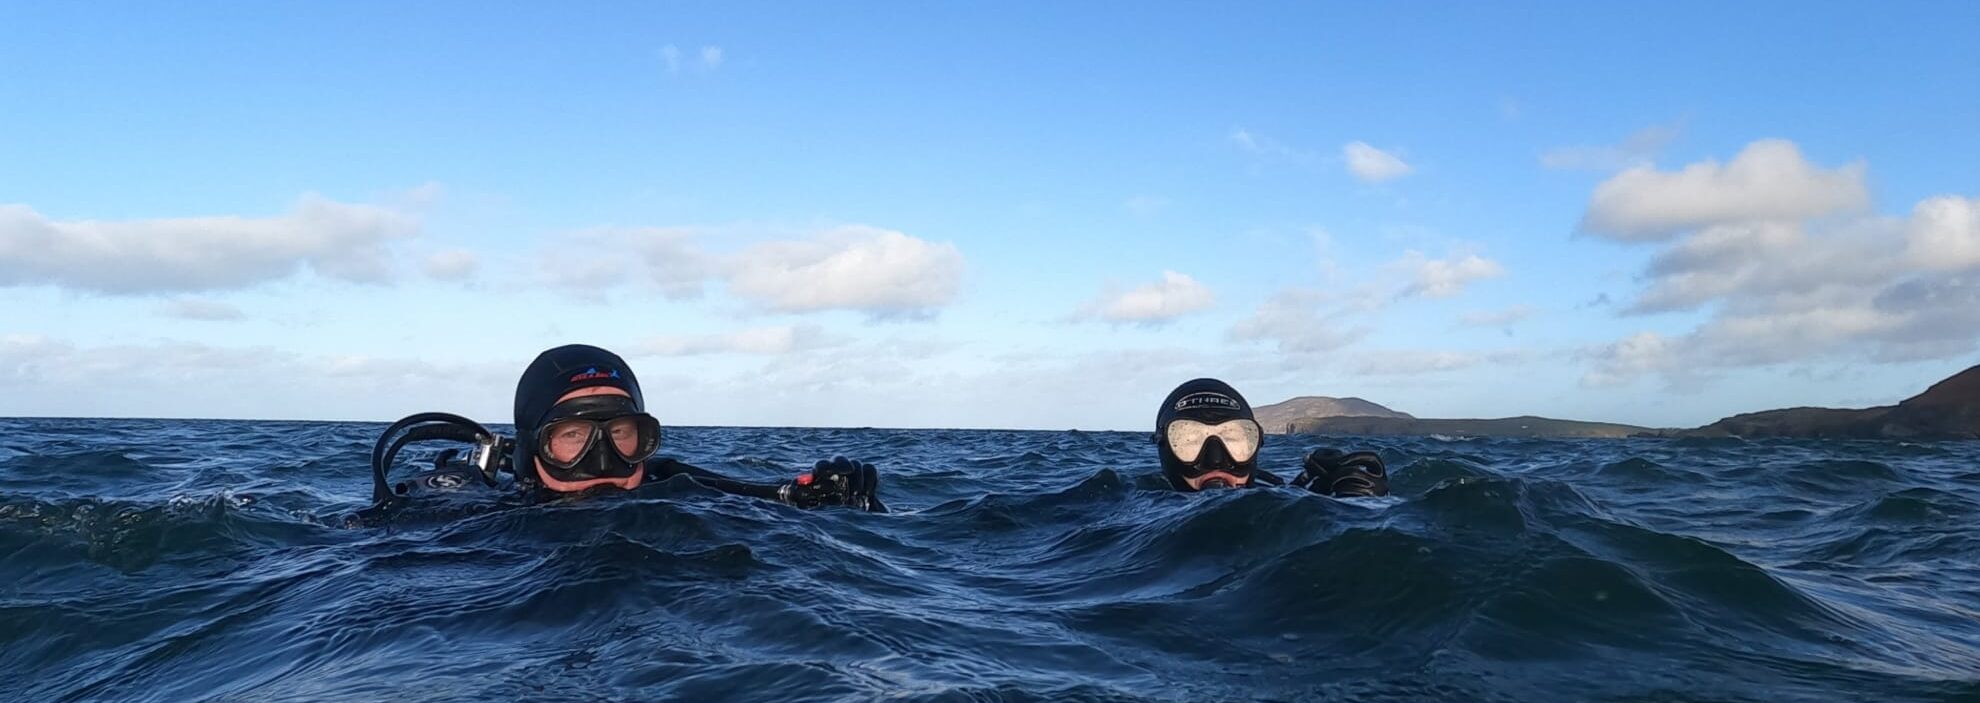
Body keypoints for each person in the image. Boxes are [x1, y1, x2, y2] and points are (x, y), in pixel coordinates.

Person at [370, 344, 884, 513]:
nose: (604, 462)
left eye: (621, 432)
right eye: (571, 436)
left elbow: (773, 497)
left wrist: (826, 501)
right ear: (531, 451)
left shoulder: (672, 489)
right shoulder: (467, 515)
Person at [1154, 378, 1388, 496]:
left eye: (1234, 437)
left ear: (1257, 443)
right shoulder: (1134, 507)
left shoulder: (1279, 495)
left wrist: (1357, 506)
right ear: (1163, 447)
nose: (1216, 460)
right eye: (1189, 439)